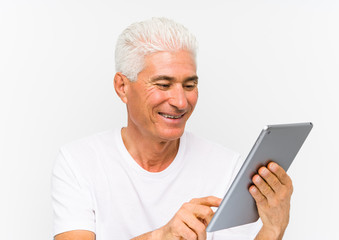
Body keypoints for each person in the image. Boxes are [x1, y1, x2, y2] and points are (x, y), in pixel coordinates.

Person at [52, 17, 293, 240]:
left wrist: (273, 229)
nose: (180, 101)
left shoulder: (227, 167)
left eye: (189, 85)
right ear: (122, 86)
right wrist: (161, 236)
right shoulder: (79, 162)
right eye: (163, 84)